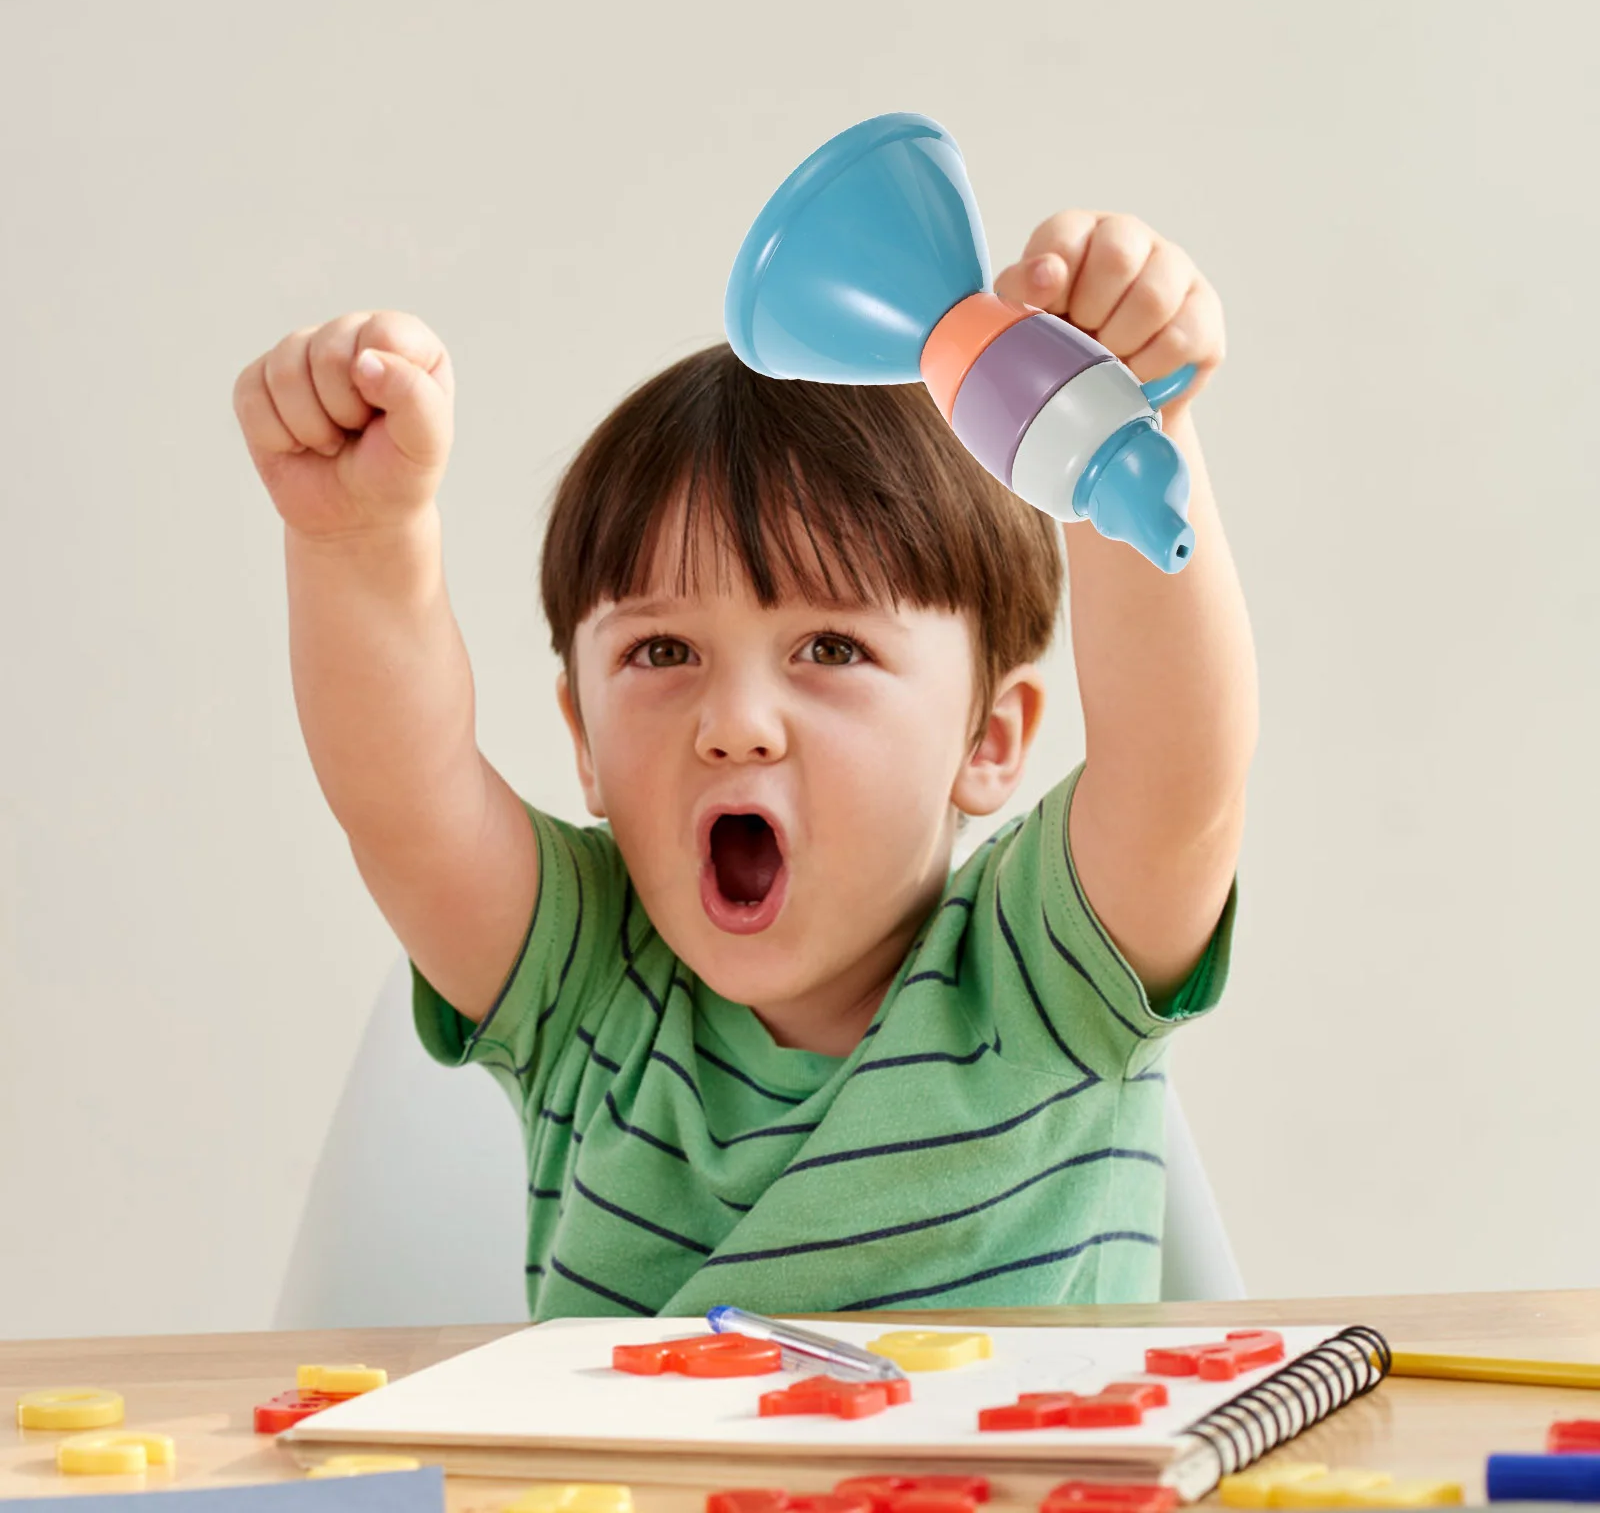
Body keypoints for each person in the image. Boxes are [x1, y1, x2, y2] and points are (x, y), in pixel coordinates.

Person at [233, 208, 1256, 1316]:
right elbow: (405, 801)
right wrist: (354, 544)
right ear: (582, 738)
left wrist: (1128, 440)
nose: (736, 723)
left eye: (830, 648)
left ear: (987, 739)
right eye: (662, 650)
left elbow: (1177, 781)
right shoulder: (583, 980)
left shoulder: (1044, 975)